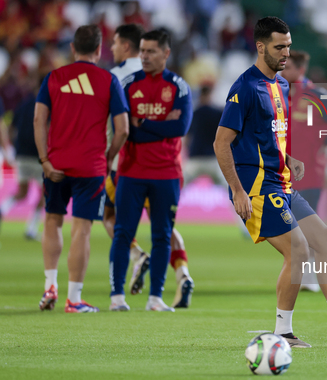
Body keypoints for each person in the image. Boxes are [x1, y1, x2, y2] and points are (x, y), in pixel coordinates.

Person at [214, 16, 327, 348]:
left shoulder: (282, 85)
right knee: (299, 251)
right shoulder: (245, 87)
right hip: (258, 187)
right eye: (280, 47)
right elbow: (221, 142)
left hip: (283, 182)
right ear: (261, 47)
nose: (286, 53)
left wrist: (288, 157)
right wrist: (237, 190)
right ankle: (282, 333)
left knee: (326, 239)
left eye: (288, 46)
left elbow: (270, 134)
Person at [35, 25, 130, 313]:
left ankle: (50, 285)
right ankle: (74, 299)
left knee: (52, 220)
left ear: (73, 48)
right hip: (90, 167)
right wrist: (109, 156)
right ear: (99, 50)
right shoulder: (108, 79)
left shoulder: (54, 77)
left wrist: (44, 161)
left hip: (56, 164)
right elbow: (123, 129)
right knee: (82, 229)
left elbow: (39, 120)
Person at [106, 24, 195, 308]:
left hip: (167, 173)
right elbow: (126, 130)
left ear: (166, 53)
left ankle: (155, 297)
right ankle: (117, 296)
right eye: (142, 51)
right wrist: (161, 125)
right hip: (131, 172)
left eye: (151, 51)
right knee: (123, 233)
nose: (144, 56)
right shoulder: (128, 84)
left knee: (162, 236)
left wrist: (143, 123)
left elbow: (180, 128)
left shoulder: (179, 86)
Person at [281, 49, 327, 292]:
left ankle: (310, 276)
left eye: (288, 67)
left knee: (309, 226)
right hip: (283, 172)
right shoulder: (280, 93)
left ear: (301, 69)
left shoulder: (317, 95)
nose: (283, 71)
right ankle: (301, 274)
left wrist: (324, 142)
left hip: (311, 172)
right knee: (291, 226)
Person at [0, 77, 44, 240]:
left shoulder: (25, 103)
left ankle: (3, 208)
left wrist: (12, 147)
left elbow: (11, 126)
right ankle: (31, 229)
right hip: (38, 156)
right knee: (45, 194)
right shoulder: (48, 105)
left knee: (22, 191)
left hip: (22, 155)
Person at [183, 84, 225, 186]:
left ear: (200, 96)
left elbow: (187, 139)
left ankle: (175, 202)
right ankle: (234, 202)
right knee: (228, 186)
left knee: (181, 184)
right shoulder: (218, 113)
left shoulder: (193, 113)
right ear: (210, 95)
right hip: (213, 159)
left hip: (195, 159)